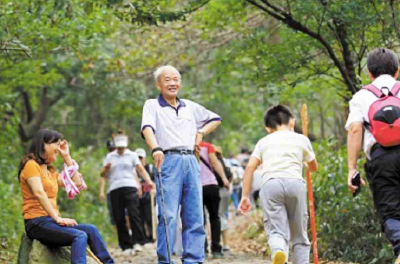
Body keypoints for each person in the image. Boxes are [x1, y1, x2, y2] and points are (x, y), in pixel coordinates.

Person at [141, 65, 222, 264]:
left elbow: (215, 119)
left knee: (194, 214)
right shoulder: (152, 105)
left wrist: (200, 133)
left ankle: (193, 260)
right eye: (167, 79)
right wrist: (156, 148)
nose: (173, 83)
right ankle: (165, 260)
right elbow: (147, 129)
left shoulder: (190, 106)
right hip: (168, 160)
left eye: (176, 79)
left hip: (191, 161)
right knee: (168, 215)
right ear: (158, 84)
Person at [18, 128, 114, 264]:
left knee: (91, 230)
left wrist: (67, 157)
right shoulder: (31, 165)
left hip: (49, 222)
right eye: (56, 143)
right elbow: (39, 193)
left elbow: (76, 182)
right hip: (36, 222)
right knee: (79, 236)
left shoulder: (51, 172)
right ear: (44, 144)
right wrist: (58, 218)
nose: (59, 147)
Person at [239, 105, 318, 264]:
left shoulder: (263, 142)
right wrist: (305, 164)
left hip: (271, 184)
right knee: (299, 234)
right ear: (292, 122)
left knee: (276, 231)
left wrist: (245, 196)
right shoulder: (302, 139)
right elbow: (313, 167)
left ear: (268, 128)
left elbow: (250, 168)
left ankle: (279, 251)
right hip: (295, 183)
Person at [346, 48, 400, 263]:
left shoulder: (361, 96)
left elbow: (355, 130)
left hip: (381, 159)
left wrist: (352, 169)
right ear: (397, 71)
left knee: (391, 213)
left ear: (369, 73)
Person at [101, 131, 156, 256]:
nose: (120, 150)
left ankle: (137, 242)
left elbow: (140, 169)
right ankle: (125, 244)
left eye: (122, 148)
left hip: (130, 186)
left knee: (134, 214)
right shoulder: (110, 157)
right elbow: (102, 175)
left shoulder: (131, 155)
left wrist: (149, 181)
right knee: (119, 217)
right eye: (118, 148)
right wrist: (105, 168)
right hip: (115, 188)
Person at [199, 141, 229, 258]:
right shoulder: (207, 146)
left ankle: (203, 249)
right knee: (214, 217)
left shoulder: (188, 146)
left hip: (196, 187)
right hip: (211, 185)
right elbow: (215, 162)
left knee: (200, 219)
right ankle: (216, 249)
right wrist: (224, 178)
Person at [213, 145, 232, 254]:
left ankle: (219, 244)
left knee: (216, 217)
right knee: (222, 215)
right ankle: (226, 244)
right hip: (225, 191)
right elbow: (231, 175)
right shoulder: (225, 162)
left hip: (216, 191)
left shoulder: (213, 163)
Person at [135, 147, 156, 242]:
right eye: (137, 158)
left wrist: (154, 188)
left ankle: (152, 236)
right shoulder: (134, 171)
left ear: (144, 158)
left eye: (141, 157)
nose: (140, 160)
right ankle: (143, 238)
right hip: (137, 197)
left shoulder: (150, 168)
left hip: (149, 197)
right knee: (140, 218)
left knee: (149, 217)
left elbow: (156, 181)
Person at [100, 139, 117, 226]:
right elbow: (103, 176)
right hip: (111, 189)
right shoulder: (108, 158)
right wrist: (102, 191)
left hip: (123, 187)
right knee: (114, 216)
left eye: (113, 149)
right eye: (110, 149)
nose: (112, 151)